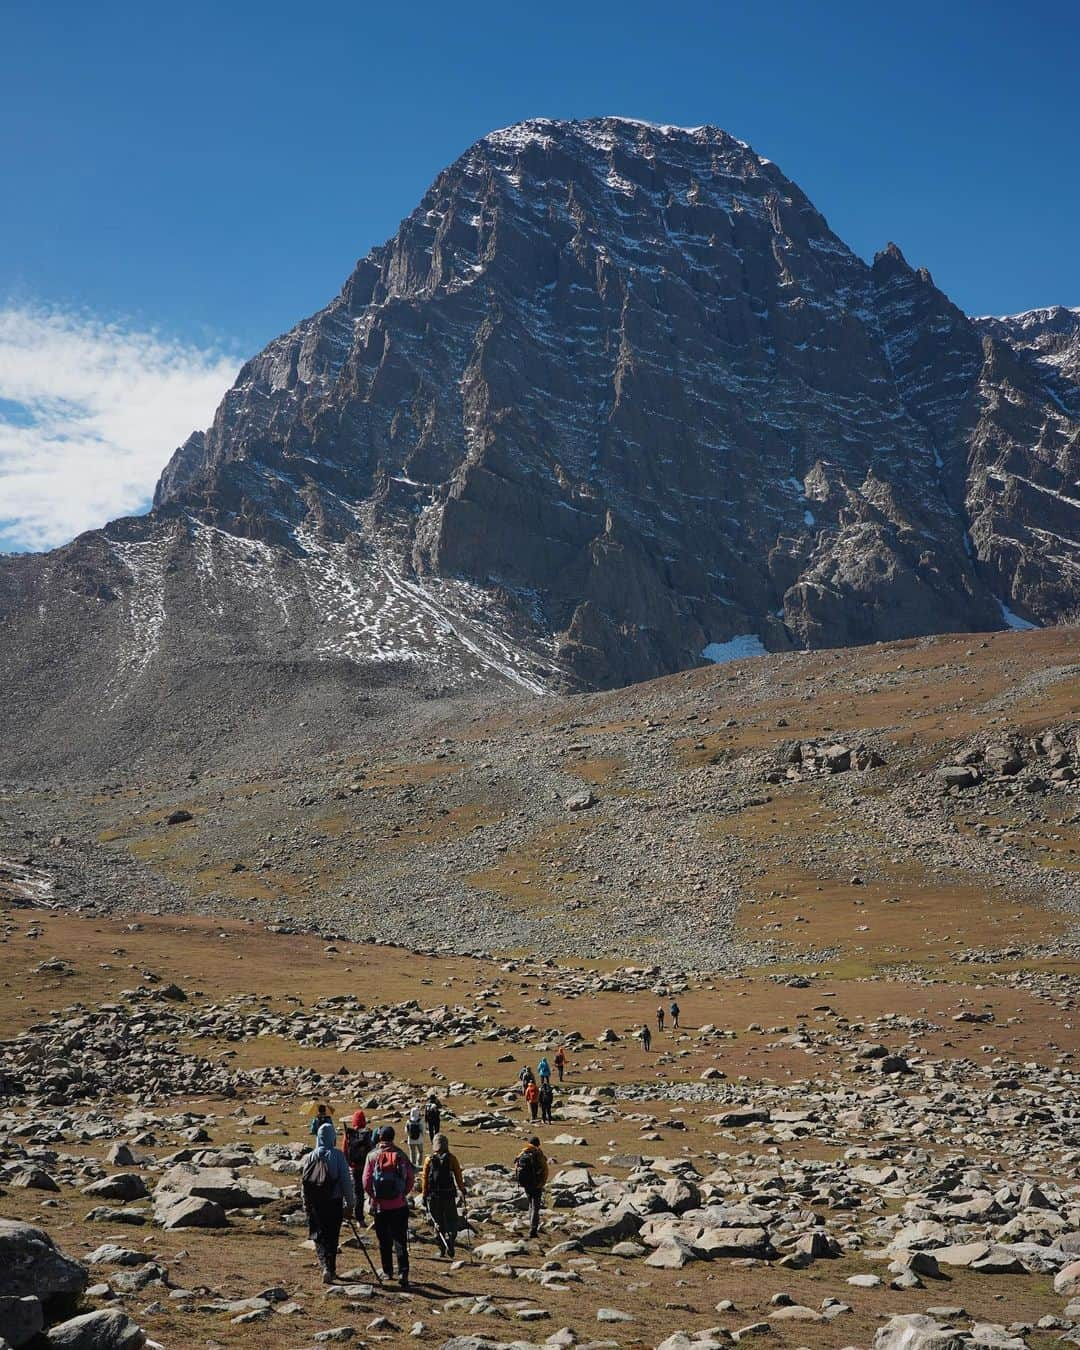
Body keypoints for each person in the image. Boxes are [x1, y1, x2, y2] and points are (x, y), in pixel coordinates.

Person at [300, 1120, 355, 1283]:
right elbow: (346, 1181)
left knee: (318, 1236)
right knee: (332, 1235)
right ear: (332, 1137)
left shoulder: (310, 1156)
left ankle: (324, 1265)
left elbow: (304, 1183)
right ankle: (331, 1268)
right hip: (334, 1202)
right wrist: (350, 1203)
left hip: (315, 1204)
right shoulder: (338, 1155)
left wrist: (305, 1203)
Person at [363, 1125, 415, 1288]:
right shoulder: (401, 1155)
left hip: (380, 1206)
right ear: (393, 1137)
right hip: (399, 1205)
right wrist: (402, 1194)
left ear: (379, 1137)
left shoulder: (372, 1156)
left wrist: (373, 1196)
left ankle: (387, 1271)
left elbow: (366, 1181)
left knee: (383, 1240)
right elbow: (410, 1179)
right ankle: (403, 1272)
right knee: (400, 1239)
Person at [421, 1132, 466, 1257]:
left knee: (437, 1221)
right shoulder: (452, 1158)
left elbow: (424, 1178)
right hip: (448, 1195)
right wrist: (462, 1189)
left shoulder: (429, 1159)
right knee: (452, 1220)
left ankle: (441, 1249)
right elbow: (458, 1176)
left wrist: (424, 1195)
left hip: (433, 1196)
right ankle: (451, 1240)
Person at [514, 1135, 549, 1239]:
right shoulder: (538, 1153)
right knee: (535, 1207)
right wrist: (542, 1182)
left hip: (526, 1183)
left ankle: (531, 1225)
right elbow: (544, 1168)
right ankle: (533, 1230)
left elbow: (516, 1165)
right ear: (538, 1144)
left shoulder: (523, 1153)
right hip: (536, 1184)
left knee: (530, 1204)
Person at [343, 1109, 373, 1226]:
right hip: (367, 1167)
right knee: (371, 1190)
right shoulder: (367, 1133)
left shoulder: (349, 1134)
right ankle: (375, 1211)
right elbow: (372, 1149)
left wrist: (349, 1164)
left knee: (358, 1192)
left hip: (355, 1167)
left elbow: (345, 1150)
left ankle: (359, 1219)